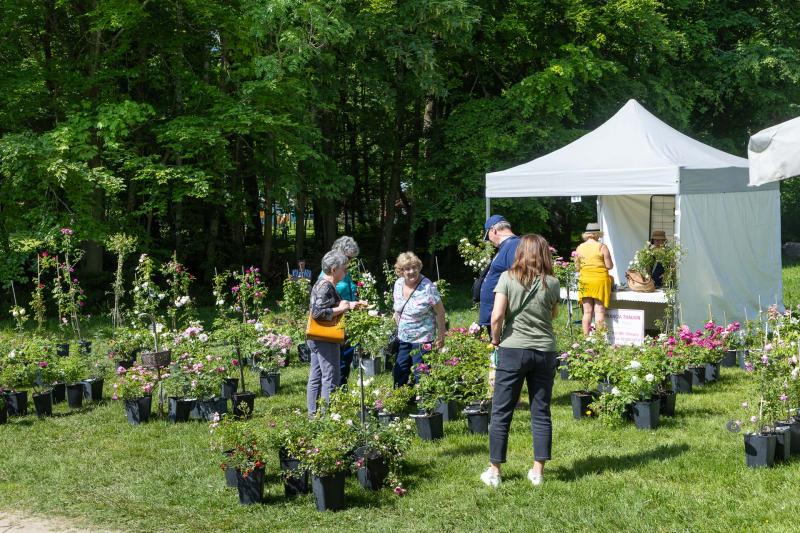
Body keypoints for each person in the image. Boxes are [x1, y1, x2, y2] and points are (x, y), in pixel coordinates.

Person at [480, 234, 560, 488]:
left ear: (520, 252)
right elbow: (553, 314)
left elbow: (497, 316)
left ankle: (495, 471)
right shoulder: (553, 282)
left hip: (513, 349)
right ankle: (538, 471)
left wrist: (495, 340)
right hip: (544, 351)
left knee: (502, 410)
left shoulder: (507, 278)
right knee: (541, 411)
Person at [306, 250, 366, 415]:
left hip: (317, 338)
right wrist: (341, 308)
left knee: (316, 377)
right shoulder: (325, 286)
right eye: (344, 268)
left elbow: (330, 305)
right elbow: (317, 313)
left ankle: (313, 416)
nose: (346, 272)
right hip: (325, 338)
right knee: (330, 377)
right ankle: (326, 417)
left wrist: (351, 304)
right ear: (333, 269)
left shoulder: (322, 283)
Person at [391, 252, 446, 387]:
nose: (412, 271)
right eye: (407, 268)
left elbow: (440, 312)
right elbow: (398, 307)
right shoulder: (398, 284)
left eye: (414, 267)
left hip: (423, 338)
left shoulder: (427, 287)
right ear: (401, 271)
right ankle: (402, 401)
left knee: (421, 372)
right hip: (403, 337)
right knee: (400, 370)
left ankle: (424, 405)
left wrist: (441, 336)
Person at [478, 215, 521, 333]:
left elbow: (517, 279)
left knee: (500, 349)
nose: (490, 241)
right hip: (495, 314)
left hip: (502, 315)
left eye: (488, 237)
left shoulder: (514, 245)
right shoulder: (506, 246)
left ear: (494, 231)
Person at [329, 235, 360, 385]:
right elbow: (325, 300)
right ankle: (335, 395)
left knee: (345, 360)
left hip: (347, 319)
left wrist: (357, 302)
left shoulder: (344, 272)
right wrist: (347, 305)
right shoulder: (330, 273)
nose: (351, 262)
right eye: (349, 258)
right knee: (339, 362)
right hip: (336, 321)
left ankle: (341, 393)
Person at [575, 222, 613, 335]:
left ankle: (585, 339)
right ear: (598, 234)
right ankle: (599, 341)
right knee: (599, 311)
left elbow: (577, 268)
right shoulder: (602, 247)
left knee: (587, 312)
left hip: (585, 281)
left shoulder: (579, 248)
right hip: (599, 281)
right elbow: (609, 266)